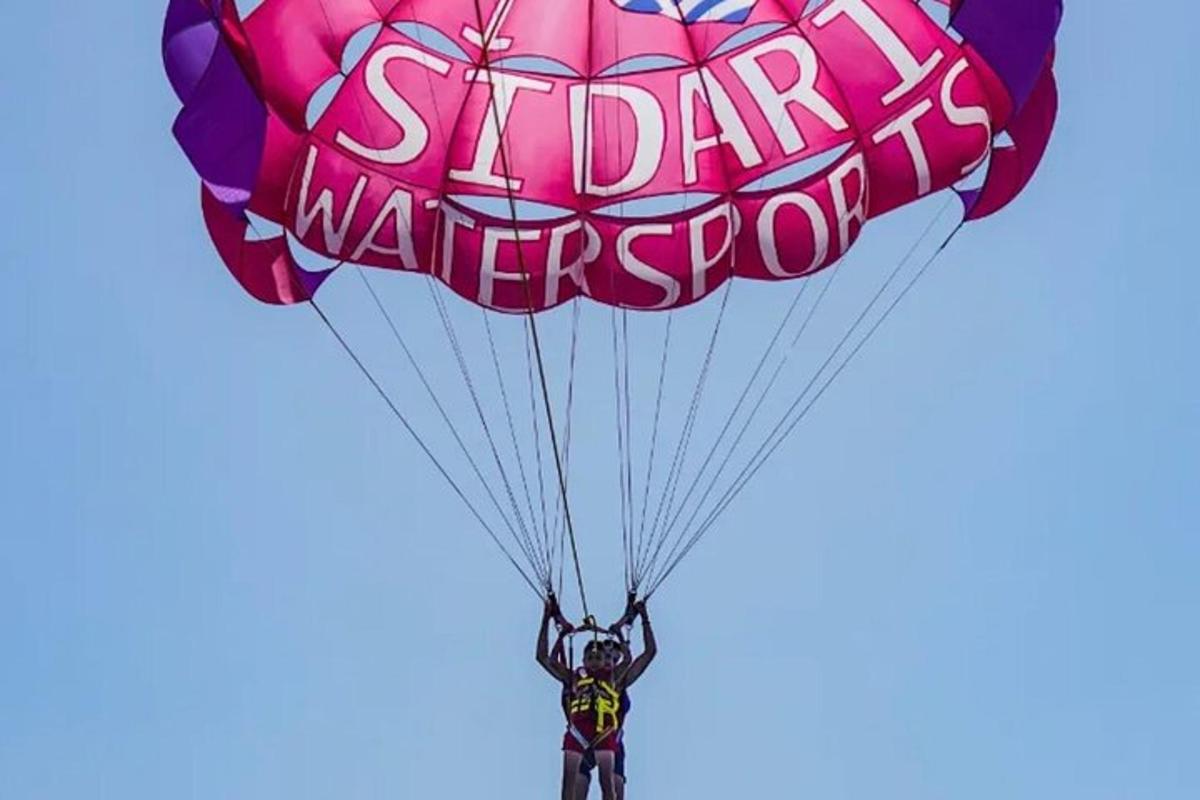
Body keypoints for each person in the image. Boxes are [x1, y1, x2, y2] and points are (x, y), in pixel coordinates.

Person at [537, 594, 658, 800]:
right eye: (599, 658)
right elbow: (544, 658)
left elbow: (648, 653)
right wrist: (549, 619)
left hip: (608, 737)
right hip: (581, 734)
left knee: (613, 790)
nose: (605, 662)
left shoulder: (618, 680)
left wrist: (644, 618)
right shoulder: (577, 677)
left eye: (611, 658)